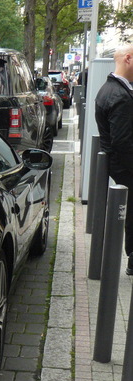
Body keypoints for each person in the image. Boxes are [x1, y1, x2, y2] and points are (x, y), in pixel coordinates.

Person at [95, 44, 133, 273]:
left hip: (120, 164)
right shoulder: (120, 96)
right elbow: (122, 143)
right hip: (125, 166)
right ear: (128, 59)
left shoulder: (112, 89)